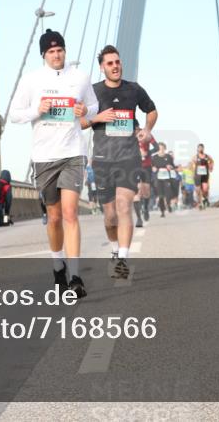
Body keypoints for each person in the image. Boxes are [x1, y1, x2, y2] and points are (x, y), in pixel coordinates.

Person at [9, 29, 97, 297]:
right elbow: (14, 114)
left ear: (65, 52)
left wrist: (85, 111)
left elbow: (93, 106)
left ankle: (76, 277)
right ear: (44, 54)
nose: (56, 55)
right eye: (51, 51)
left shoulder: (80, 77)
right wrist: (38, 110)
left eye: (60, 50)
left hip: (73, 152)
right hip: (44, 157)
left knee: (70, 214)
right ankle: (57, 264)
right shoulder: (32, 80)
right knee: (55, 217)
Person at [81, 45, 156, 279]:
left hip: (128, 157)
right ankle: (114, 248)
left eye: (117, 62)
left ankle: (123, 258)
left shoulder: (134, 89)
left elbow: (151, 110)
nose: (115, 66)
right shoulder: (92, 92)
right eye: (110, 63)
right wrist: (97, 118)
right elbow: (79, 121)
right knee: (110, 215)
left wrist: (147, 128)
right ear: (102, 67)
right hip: (103, 161)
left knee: (124, 206)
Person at [136, 134, 158, 226]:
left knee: (146, 191)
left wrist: (147, 152)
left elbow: (156, 147)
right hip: (134, 167)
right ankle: (138, 218)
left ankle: (145, 208)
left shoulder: (147, 135)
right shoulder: (127, 135)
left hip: (146, 167)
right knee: (137, 191)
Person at [150, 142, 176, 218]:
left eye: (162, 149)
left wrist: (170, 167)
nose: (160, 150)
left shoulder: (168, 157)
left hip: (167, 177)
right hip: (158, 178)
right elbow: (151, 166)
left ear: (165, 149)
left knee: (168, 193)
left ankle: (168, 204)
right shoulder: (154, 157)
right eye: (159, 149)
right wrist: (153, 168)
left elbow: (173, 166)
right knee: (161, 195)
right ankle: (162, 211)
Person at [193, 144, 214, 208]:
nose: (200, 149)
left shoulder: (207, 156)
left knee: (205, 189)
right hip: (197, 175)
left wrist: (211, 167)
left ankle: (205, 199)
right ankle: (199, 203)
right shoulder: (195, 157)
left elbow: (212, 161)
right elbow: (192, 165)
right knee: (198, 189)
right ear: (197, 149)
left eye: (201, 148)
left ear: (203, 149)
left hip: (205, 175)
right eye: (199, 148)